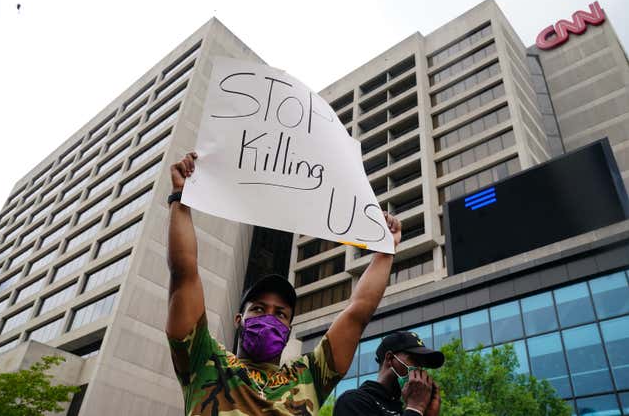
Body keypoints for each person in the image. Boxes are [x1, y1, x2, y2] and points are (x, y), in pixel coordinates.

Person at [166, 152, 403, 416]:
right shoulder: (205, 360)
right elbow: (183, 274)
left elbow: (358, 312)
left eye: (280, 314)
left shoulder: (309, 376)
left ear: (289, 330)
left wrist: (385, 253)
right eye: (258, 309)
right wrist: (179, 198)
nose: (269, 318)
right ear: (238, 319)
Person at [333, 331, 444, 416]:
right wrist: (416, 408)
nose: (419, 369)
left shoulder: (404, 410)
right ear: (390, 358)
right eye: (415, 360)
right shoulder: (352, 401)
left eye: (422, 365)